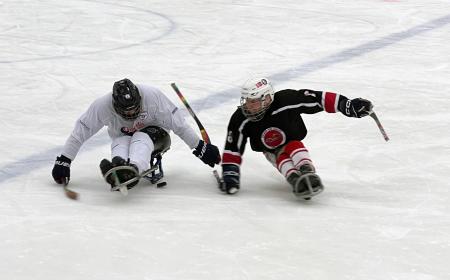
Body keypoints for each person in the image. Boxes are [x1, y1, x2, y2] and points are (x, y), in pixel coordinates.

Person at [52, 78, 220, 190]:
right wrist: (65, 160)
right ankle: (119, 169)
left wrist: (199, 147)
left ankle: (133, 170)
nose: (132, 113)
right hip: (123, 135)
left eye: (135, 107)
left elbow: (179, 124)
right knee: (120, 142)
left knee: (140, 137)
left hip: (158, 135)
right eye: (127, 110)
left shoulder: (152, 96)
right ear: (115, 105)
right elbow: (82, 129)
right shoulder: (103, 106)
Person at [219, 77, 373, 199]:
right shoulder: (240, 118)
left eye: (253, 102)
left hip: (293, 141)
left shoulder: (286, 100)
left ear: (266, 99)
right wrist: (230, 172)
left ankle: (306, 170)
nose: (248, 106)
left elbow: (317, 99)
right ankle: (293, 178)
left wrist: (346, 105)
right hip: (270, 151)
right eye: (246, 101)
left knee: (294, 146)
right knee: (281, 157)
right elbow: (233, 147)